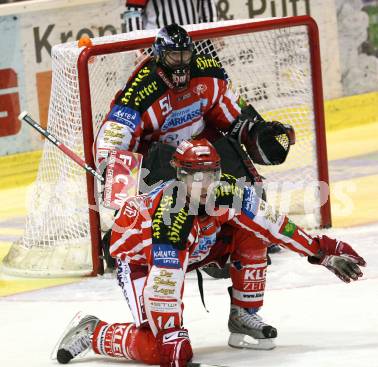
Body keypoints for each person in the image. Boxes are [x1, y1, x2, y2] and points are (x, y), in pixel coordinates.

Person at [56, 139, 365, 367]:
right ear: (180, 175)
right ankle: (94, 330)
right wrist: (170, 334)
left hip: (195, 247)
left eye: (211, 174)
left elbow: (276, 227)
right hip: (140, 261)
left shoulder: (229, 191)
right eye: (195, 177)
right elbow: (163, 284)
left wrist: (323, 252)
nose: (205, 185)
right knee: (154, 348)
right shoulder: (170, 216)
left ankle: (244, 314)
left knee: (252, 232)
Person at [96, 23, 294, 272]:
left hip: (202, 149)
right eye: (172, 56)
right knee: (173, 202)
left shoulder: (209, 74)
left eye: (185, 55)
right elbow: (115, 137)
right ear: (159, 56)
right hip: (161, 158)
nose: (180, 63)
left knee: (246, 184)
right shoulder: (141, 90)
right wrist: (114, 172)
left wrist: (255, 131)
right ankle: (135, 235)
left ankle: (241, 234)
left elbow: (233, 117)